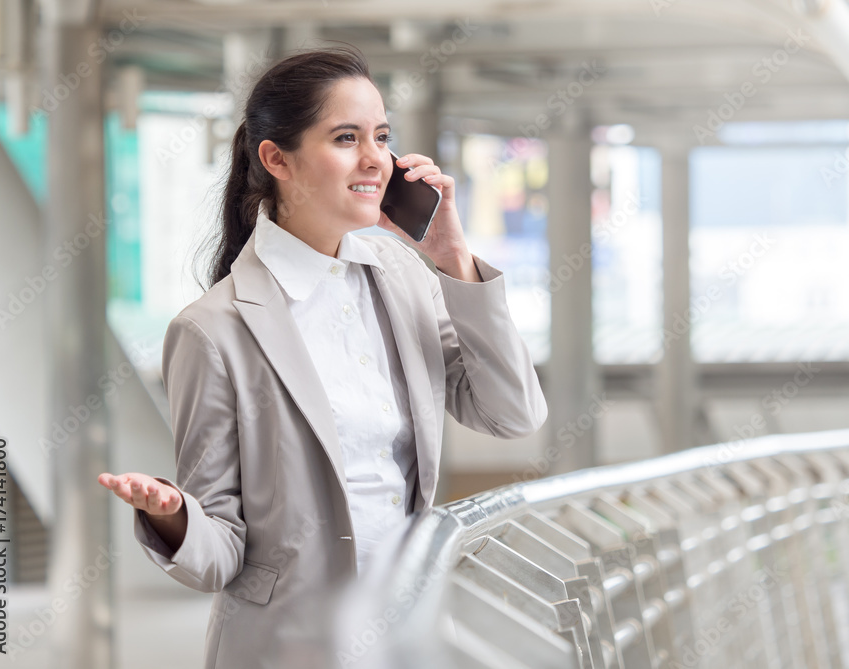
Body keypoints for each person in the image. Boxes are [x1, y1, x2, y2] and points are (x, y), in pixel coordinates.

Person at [96, 44, 548, 669]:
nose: (375, 160)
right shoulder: (212, 332)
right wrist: (174, 518)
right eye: (345, 138)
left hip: (407, 637)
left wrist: (454, 259)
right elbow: (221, 554)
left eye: (381, 136)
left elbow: (511, 414)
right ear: (276, 158)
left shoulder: (405, 278)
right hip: (289, 650)